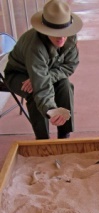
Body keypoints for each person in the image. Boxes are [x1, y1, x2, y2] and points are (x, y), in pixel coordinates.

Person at [4, 0, 83, 139]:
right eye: (56, 32)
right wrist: (51, 110)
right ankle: (42, 139)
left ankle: (65, 134)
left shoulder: (70, 37)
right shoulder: (35, 46)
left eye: (64, 31)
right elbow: (41, 87)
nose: (61, 37)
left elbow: (70, 65)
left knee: (65, 84)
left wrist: (48, 76)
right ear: (46, 30)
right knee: (34, 91)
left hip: (46, 71)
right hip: (18, 74)